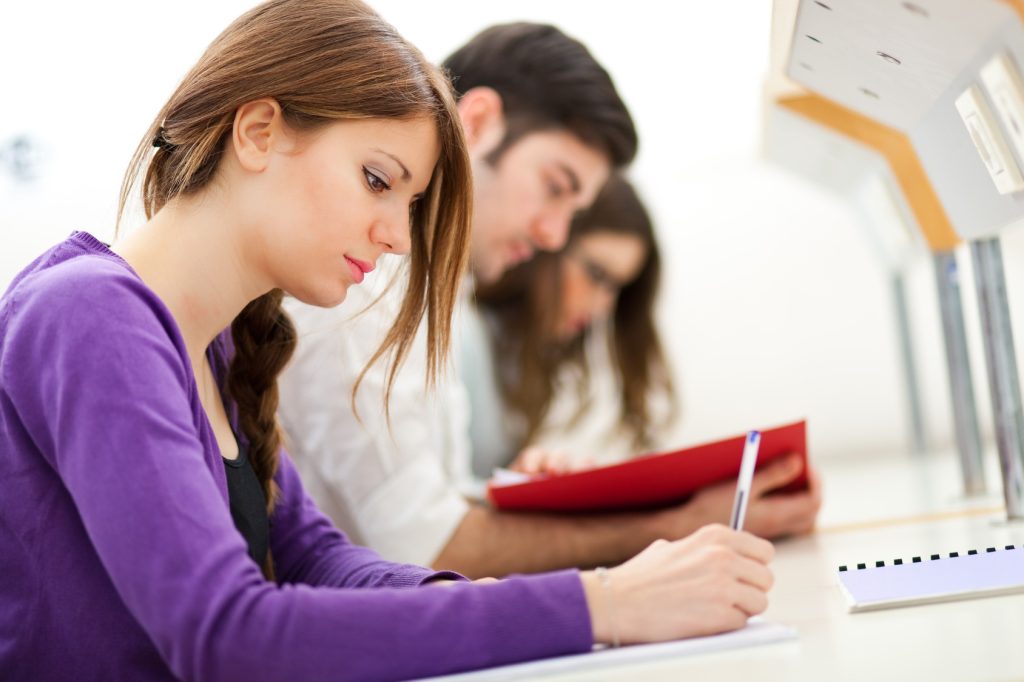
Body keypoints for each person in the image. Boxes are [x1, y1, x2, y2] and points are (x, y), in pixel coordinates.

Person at [0, 1, 777, 680]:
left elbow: (318, 560)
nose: (397, 238)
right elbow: (226, 634)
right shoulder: (90, 316)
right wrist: (601, 603)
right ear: (259, 131)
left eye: (410, 202)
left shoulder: (218, 347)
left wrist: (547, 604)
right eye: (378, 180)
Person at [278, 22, 820, 581]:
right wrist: (676, 523)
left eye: (573, 212)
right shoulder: (357, 285)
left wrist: (529, 498)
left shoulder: (435, 291)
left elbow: (435, 509)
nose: (554, 236)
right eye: (555, 187)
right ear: (480, 124)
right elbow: (427, 548)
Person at [464, 174, 677, 477]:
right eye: (596, 274)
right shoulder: (461, 338)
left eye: (617, 288)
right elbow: (428, 512)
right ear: (549, 242)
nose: (603, 306)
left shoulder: (517, 359)